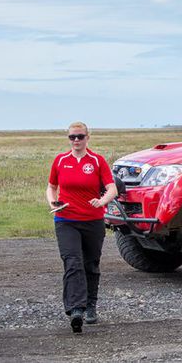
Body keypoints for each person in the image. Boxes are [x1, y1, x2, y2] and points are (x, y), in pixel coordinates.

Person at [45, 122, 117, 333]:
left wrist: (102, 201)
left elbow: (111, 188)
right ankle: (76, 309)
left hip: (92, 220)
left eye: (80, 136)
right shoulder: (60, 160)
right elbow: (51, 187)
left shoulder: (97, 161)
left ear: (88, 137)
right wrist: (52, 202)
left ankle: (91, 306)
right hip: (65, 219)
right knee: (72, 262)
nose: (76, 141)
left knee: (90, 264)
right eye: (72, 137)